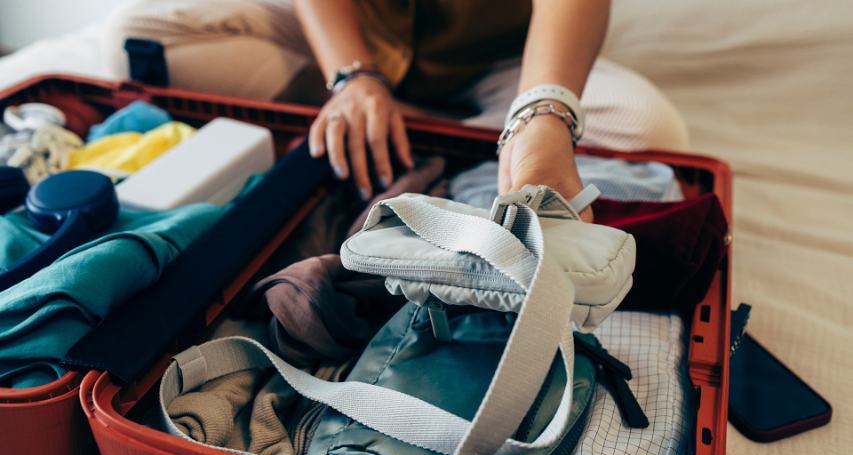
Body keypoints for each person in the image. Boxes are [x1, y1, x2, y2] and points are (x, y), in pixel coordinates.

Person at [103, 0, 689, 220]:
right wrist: (354, 77)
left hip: (500, 59)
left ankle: (431, 125)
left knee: (653, 127)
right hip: (351, 40)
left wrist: (540, 112)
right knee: (136, 36)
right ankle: (377, 113)